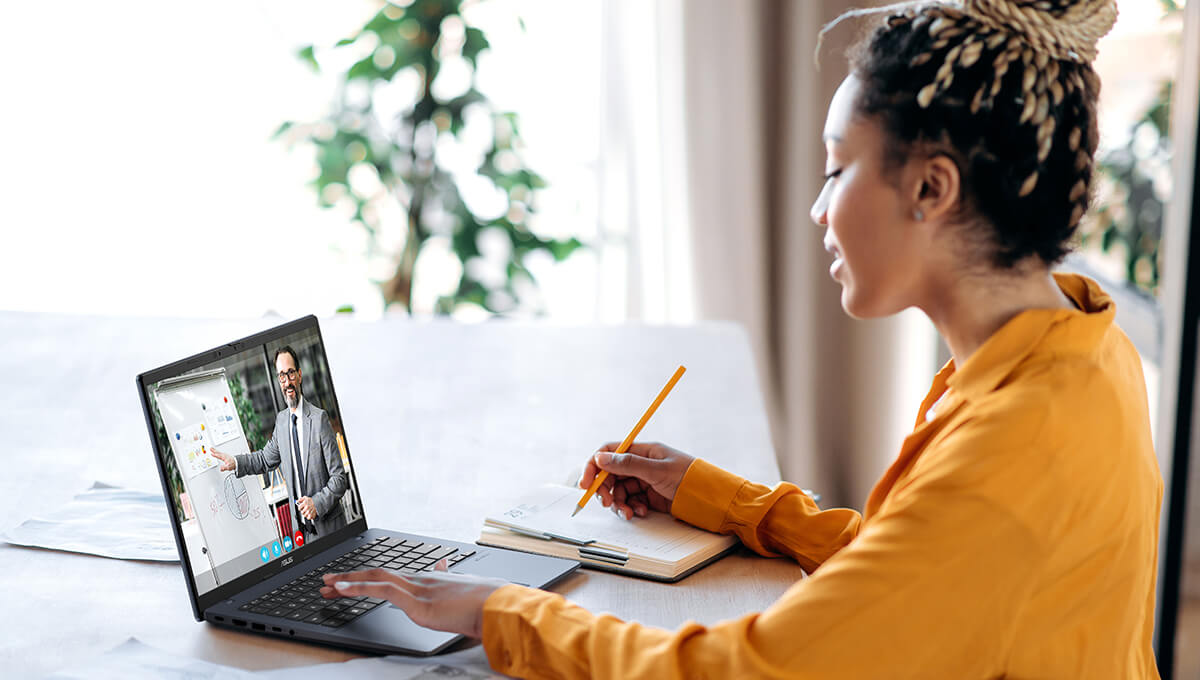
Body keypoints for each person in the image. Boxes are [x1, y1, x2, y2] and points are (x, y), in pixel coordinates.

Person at [319, 0, 1163, 676]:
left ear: (932, 187)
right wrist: (724, 499)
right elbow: (922, 570)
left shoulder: (1019, 441)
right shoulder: (1074, 346)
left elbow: (753, 670)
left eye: (837, 169)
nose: (817, 208)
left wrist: (500, 612)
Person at [212, 346, 349, 540]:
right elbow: (265, 459)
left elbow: (339, 478)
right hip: (303, 535)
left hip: (330, 530)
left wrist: (316, 504)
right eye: (281, 376)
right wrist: (235, 462)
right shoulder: (282, 421)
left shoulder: (319, 420)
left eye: (290, 373)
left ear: (299, 375)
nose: (287, 382)